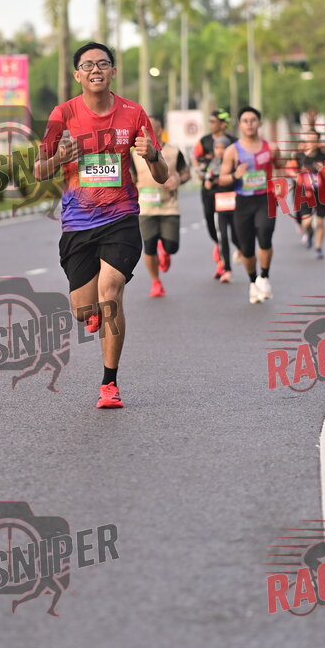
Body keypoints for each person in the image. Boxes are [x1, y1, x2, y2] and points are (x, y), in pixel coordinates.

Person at [34, 42, 167, 408]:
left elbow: (161, 175)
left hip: (121, 217)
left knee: (111, 291)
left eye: (103, 64)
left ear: (113, 72)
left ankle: (109, 383)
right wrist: (59, 158)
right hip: (78, 223)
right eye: (88, 65)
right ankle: (91, 314)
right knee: (83, 310)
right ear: (77, 75)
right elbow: (39, 170)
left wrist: (153, 155)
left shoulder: (134, 113)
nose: (96, 70)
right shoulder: (63, 114)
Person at [219, 106, 280, 304]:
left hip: (265, 198)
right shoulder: (232, 150)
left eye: (253, 120)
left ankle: (265, 276)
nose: (249, 124)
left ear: (259, 123)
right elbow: (222, 178)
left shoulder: (271, 148)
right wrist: (235, 175)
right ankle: (253, 281)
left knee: (265, 235)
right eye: (245, 121)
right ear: (240, 125)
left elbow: (281, 168)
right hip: (243, 202)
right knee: (246, 248)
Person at [131, 117, 190, 297]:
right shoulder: (135, 154)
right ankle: (156, 282)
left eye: (150, 128)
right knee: (149, 247)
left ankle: (165, 250)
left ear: (159, 130)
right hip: (146, 207)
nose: (145, 131)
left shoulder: (174, 151)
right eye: (143, 128)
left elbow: (186, 174)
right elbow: (131, 178)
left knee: (172, 246)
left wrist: (178, 180)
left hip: (169, 205)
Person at [192, 109, 237, 277]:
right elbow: (195, 159)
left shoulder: (234, 142)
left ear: (223, 124)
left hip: (229, 192)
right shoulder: (203, 141)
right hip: (209, 191)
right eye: (209, 121)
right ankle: (218, 245)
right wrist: (200, 173)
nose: (210, 124)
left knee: (230, 229)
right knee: (212, 225)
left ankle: (223, 262)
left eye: (213, 121)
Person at [286, 130, 325, 259]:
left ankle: (318, 248)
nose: (311, 141)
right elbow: (289, 169)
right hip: (304, 193)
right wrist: (298, 178)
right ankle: (309, 233)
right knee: (307, 222)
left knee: (320, 222)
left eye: (314, 139)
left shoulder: (323, 156)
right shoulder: (299, 155)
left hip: (320, 193)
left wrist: (322, 170)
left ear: (318, 141)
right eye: (309, 138)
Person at [204, 136, 240, 283]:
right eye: (217, 148)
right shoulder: (212, 165)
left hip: (236, 205)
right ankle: (227, 269)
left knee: (237, 236)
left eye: (223, 148)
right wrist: (211, 181)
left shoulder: (236, 163)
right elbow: (207, 184)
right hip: (220, 206)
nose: (220, 151)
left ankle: (241, 250)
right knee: (223, 237)